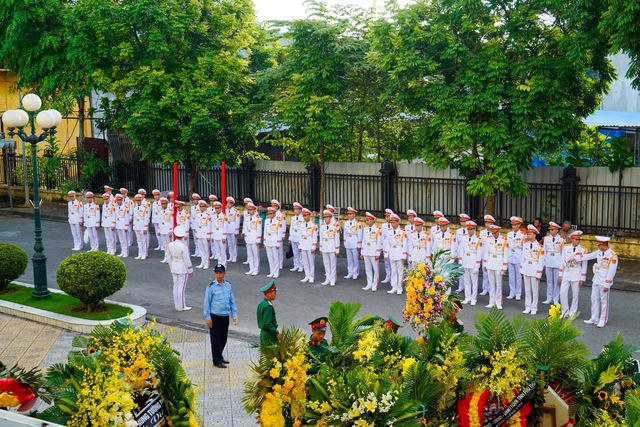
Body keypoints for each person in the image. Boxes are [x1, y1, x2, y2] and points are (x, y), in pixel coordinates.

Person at [579, 236, 618, 328]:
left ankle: (603, 319)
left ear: (604, 245)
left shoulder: (612, 255)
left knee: (604, 301)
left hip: (604, 281)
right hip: (596, 279)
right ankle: (594, 317)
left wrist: (607, 284)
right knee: (594, 298)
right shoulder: (599, 252)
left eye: (599, 245)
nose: (598, 247)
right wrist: (576, 257)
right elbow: (588, 256)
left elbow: (612, 271)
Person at [204, 264, 238, 369]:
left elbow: (232, 300)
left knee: (223, 338)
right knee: (216, 339)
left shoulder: (228, 285)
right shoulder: (211, 287)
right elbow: (207, 303)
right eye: (216, 272)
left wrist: (234, 314)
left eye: (220, 272)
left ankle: (219, 356)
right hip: (215, 316)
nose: (218, 275)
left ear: (224, 273)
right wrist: (208, 318)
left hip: (225, 316)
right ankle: (217, 360)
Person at [558, 230, 587, 318]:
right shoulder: (566, 248)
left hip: (576, 272)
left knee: (575, 295)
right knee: (562, 293)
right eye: (576, 239)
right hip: (566, 272)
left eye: (579, 239)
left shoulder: (583, 250)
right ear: (571, 239)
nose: (578, 241)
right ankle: (565, 311)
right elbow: (562, 261)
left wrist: (582, 278)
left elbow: (584, 265)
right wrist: (560, 275)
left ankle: (572, 312)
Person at [166, 226, 193, 311]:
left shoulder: (170, 245)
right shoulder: (183, 246)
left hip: (174, 266)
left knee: (175, 287)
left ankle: (177, 305)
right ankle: (181, 306)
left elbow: (168, 258)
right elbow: (187, 259)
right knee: (181, 288)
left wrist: (171, 267)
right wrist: (190, 270)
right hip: (182, 268)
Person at [520, 224, 545, 315]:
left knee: (534, 289)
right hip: (527, 267)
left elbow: (541, 261)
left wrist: (539, 273)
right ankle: (528, 306)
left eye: (530, 234)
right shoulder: (525, 245)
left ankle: (534, 307)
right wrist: (521, 270)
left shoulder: (539, 247)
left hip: (534, 267)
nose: (528, 235)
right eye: (528, 234)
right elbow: (522, 258)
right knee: (527, 289)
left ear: (535, 235)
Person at [483, 223, 507, 309]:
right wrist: (485, 264)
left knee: (498, 284)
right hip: (490, 262)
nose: (493, 234)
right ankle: (491, 301)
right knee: (491, 284)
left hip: (499, 262)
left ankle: (498, 302)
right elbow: (486, 252)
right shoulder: (488, 239)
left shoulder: (504, 240)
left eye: (495, 232)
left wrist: (504, 267)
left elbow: (505, 254)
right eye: (492, 233)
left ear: (498, 231)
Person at [384, 213, 407, 295]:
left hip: (399, 251)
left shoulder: (402, 232)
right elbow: (387, 243)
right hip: (392, 252)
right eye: (391, 222)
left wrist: (404, 255)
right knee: (393, 270)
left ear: (398, 222)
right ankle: (394, 286)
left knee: (400, 271)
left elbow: (404, 244)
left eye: (394, 222)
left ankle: (400, 287)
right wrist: (386, 254)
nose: (392, 224)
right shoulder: (389, 232)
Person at [460, 221, 482, 306]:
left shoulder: (477, 240)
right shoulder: (464, 238)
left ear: (474, 229)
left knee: (474, 282)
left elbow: (479, 253)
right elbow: (462, 251)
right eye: (468, 229)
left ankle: (474, 298)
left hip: (473, 261)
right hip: (466, 260)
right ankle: (467, 297)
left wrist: (477, 265)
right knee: (466, 281)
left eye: (471, 229)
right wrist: (461, 262)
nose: (469, 231)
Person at [542, 221, 563, 305]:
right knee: (549, 281)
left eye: (553, 229)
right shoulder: (546, 238)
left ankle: (556, 299)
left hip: (557, 260)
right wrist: (544, 263)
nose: (551, 231)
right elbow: (544, 250)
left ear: (557, 230)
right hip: (549, 260)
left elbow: (562, 252)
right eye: (550, 229)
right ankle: (549, 297)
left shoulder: (561, 239)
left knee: (556, 282)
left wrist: (562, 264)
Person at [361, 212, 382, 291]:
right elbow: (363, 240)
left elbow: (379, 242)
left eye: (368, 220)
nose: (367, 221)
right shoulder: (365, 229)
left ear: (373, 220)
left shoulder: (377, 230)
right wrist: (362, 252)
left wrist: (377, 253)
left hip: (373, 250)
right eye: (366, 220)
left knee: (375, 269)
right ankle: (369, 283)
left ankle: (374, 284)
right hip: (366, 250)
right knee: (368, 269)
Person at [506, 216, 525, 301]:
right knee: (511, 275)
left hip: (518, 255)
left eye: (515, 225)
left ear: (519, 225)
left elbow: (523, 246)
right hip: (510, 255)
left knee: (518, 275)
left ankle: (518, 293)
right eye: (512, 225)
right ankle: (512, 292)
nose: (513, 226)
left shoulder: (523, 235)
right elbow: (507, 246)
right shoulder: (509, 234)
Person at [319, 210, 340, 286]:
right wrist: (320, 248)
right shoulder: (322, 226)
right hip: (324, 246)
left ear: (330, 218)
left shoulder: (334, 227)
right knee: (326, 263)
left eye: (327, 217)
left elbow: (337, 238)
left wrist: (337, 249)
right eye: (325, 217)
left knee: (333, 264)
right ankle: (327, 278)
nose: (326, 219)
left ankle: (332, 279)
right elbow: (321, 238)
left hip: (332, 246)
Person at [257, 281, 280, 346]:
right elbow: (267, 323)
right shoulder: (268, 306)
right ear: (269, 294)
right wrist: (276, 333)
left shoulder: (261, 304)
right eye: (274, 293)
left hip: (264, 334)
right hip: (269, 335)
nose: (275, 295)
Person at [343, 207, 363, 279]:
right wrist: (344, 241)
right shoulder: (346, 223)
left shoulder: (358, 223)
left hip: (355, 241)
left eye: (350, 214)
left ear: (354, 215)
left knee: (355, 258)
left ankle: (355, 272)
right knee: (349, 258)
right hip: (348, 241)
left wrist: (359, 244)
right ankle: (350, 272)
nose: (349, 215)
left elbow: (360, 234)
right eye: (348, 214)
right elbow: (345, 233)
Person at [298, 208, 318, 283]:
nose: (304, 217)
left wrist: (313, 246)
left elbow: (315, 236)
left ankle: (312, 276)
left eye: (305, 215)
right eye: (303, 215)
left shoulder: (313, 225)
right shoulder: (302, 224)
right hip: (303, 244)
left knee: (311, 261)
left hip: (310, 244)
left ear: (309, 216)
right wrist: (299, 246)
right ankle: (307, 275)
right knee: (305, 261)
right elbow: (300, 236)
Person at [263, 207, 283, 278]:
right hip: (268, 239)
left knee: (275, 257)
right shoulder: (266, 221)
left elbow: (279, 233)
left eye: (271, 213)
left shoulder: (278, 221)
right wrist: (264, 241)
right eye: (269, 213)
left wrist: (278, 243)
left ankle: (276, 272)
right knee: (270, 257)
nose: (270, 215)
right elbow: (265, 231)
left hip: (274, 240)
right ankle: (271, 271)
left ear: (274, 213)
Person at [243, 202, 262, 276]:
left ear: (254, 210)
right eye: (248, 210)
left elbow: (259, 229)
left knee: (255, 254)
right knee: (250, 254)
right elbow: (245, 228)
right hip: (248, 237)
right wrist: (245, 237)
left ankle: (256, 269)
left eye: (251, 210)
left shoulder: (257, 219)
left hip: (254, 237)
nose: (249, 211)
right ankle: (251, 268)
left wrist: (258, 239)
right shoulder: (247, 218)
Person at [479, 214, 495, 296]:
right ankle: (485, 288)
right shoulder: (482, 232)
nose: (487, 224)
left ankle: (491, 289)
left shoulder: (494, 232)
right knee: (485, 272)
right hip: (483, 254)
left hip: (491, 255)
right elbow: (480, 244)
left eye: (489, 223)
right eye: (486, 222)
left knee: (491, 273)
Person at [454, 213, 470, 293]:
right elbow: (456, 243)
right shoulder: (458, 231)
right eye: (461, 221)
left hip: (467, 251)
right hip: (460, 250)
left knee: (467, 269)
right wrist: (456, 253)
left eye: (464, 221)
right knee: (460, 269)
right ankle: (461, 286)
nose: (463, 223)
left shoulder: (470, 230)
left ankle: (468, 286)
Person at [195, 200, 212, 269]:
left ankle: (207, 263)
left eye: (203, 207)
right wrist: (196, 234)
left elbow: (209, 226)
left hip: (205, 233)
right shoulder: (197, 215)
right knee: (201, 249)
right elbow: (196, 225)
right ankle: (202, 262)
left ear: (205, 207)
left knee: (206, 249)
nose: (201, 208)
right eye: (200, 206)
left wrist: (208, 235)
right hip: (199, 233)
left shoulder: (208, 215)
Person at [132, 194, 150, 260]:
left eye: (139, 200)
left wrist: (145, 228)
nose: (138, 202)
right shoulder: (135, 208)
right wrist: (133, 227)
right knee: (139, 241)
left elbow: (146, 219)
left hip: (142, 226)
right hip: (136, 226)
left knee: (144, 241)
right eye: (137, 201)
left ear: (141, 200)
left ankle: (144, 254)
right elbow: (134, 218)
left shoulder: (144, 209)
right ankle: (140, 253)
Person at [210, 201, 227, 268]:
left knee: (223, 251)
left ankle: (224, 265)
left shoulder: (223, 216)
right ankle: (219, 264)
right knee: (218, 252)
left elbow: (225, 227)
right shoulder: (213, 216)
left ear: (221, 208)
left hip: (221, 235)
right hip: (215, 235)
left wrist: (224, 237)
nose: (217, 210)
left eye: (218, 208)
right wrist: (212, 236)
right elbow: (212, 226)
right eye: (216, 208)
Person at [289, 202, 304, 273]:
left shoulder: (303, 218)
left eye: (296, 209)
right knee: (295, 252)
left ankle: (301, 265)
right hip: (293, 236)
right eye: (294, 209)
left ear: (300, 210)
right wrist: (290, 237)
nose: (295, 211)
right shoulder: (293, 218)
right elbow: (291, 228)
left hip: (299, 236)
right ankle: (296, 265)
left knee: (300, 252)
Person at [225, 196, 240, 263]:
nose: (228, 204)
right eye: (227, 203)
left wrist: (237, 230)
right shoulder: (225, 211)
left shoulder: (236, 211)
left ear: (232, 204)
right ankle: (231, 256)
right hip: (227, 228)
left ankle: (234, 256)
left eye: (229, 203)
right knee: (229, 243)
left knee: (234, 243)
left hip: (233, 228)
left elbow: (237, 221)